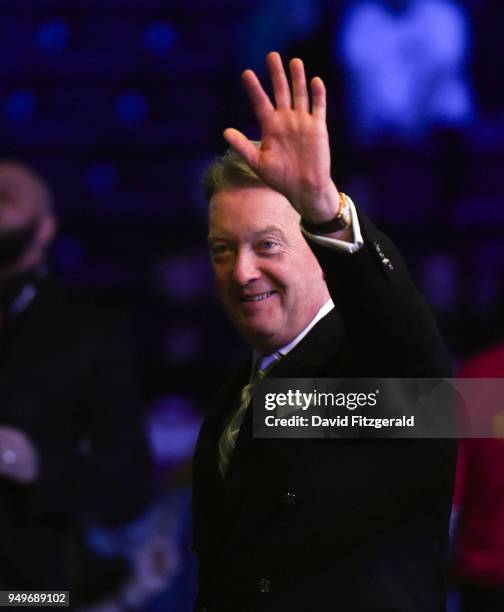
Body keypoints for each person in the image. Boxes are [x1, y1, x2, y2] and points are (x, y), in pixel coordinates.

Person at [192, 52, 456, 611]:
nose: (242, 271)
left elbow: (422, 378)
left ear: (319, 253)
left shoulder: (372, 368)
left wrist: (324, 210)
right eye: (223, 250)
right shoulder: (235, 394)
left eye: (267, 245)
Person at [0, 161, 151, 593]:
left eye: (6, 195)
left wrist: (34, 465)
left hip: (30, 592)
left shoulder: (92, 330)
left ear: (44, 229)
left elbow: (127, 484)